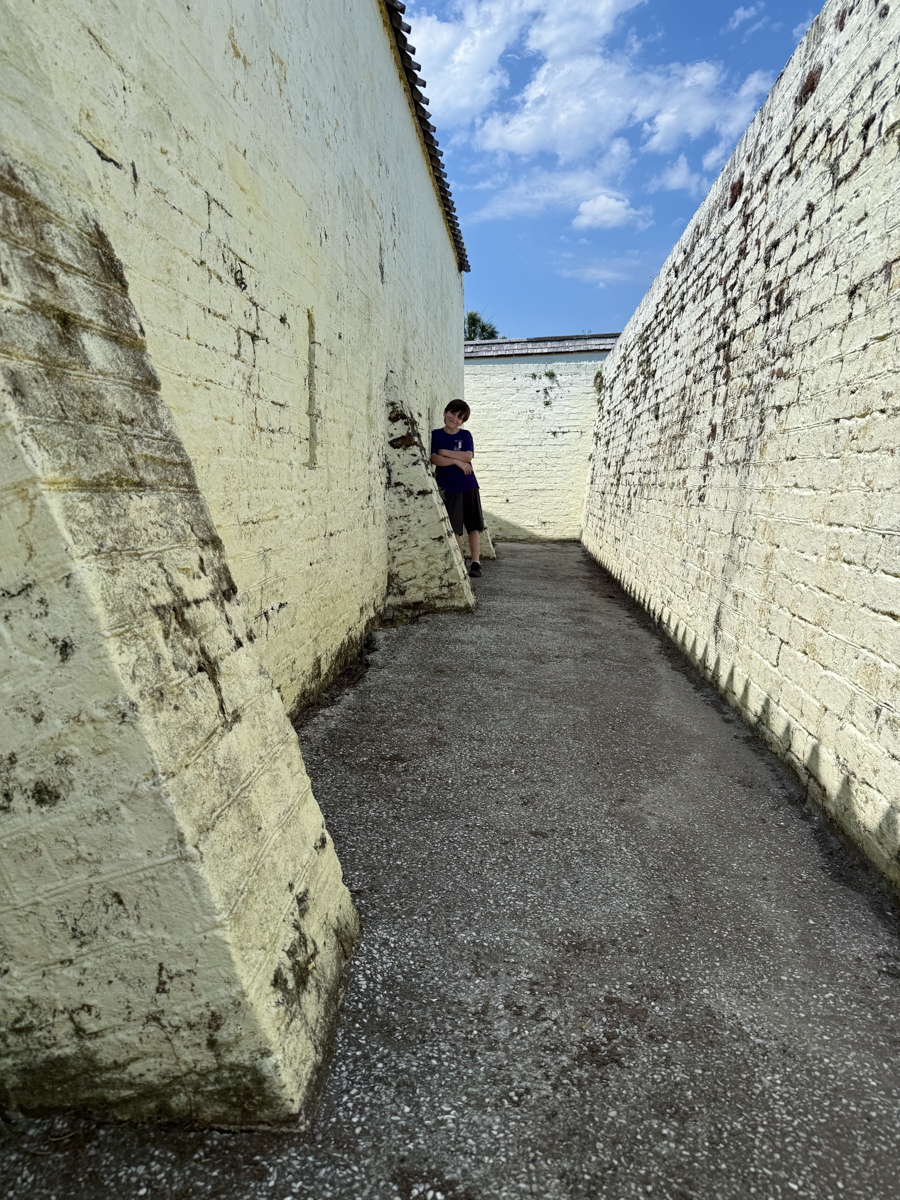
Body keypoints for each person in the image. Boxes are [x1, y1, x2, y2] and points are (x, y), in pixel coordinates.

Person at [430, 399, 484, 577]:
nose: (454, 419)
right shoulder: (436, 435)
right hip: (448, 486)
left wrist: (445, 452)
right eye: (452, 413)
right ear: (445, 412)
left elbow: (468, 456)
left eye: (460, 417)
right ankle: (460, 561)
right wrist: (455, 461)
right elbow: (435, 459)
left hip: (468, 485)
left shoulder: (465, 435)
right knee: (454, 528)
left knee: (473, 525)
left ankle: (476, 562)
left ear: (462, 422)